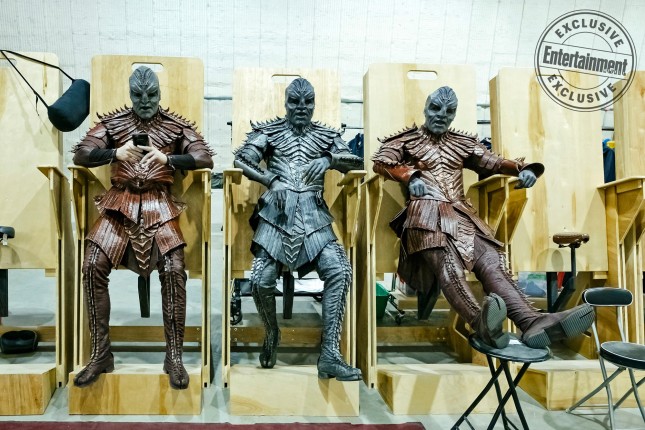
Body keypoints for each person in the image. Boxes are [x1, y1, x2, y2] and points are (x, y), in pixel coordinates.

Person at [372, 86, 594, 349]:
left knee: (492, 262)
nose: (441, 115)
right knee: (450, 267)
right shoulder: (406, 140)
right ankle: (481, 324)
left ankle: (532, 321)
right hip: (425, 215)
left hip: (462, 215)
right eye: (435, 108)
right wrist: (410, 177)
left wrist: (523, 169)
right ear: (425, 108)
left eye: (449, 111)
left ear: (455, 114)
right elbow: (381, 162)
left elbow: (493, 162)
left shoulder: (462, 143)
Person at [72, 66, 213, 389]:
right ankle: (100, 354)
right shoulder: (113, 124)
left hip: (158, 205)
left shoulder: (176, 126)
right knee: (91, 265)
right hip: (118, 206)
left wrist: (168, 160)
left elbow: (205, 158)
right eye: (138, 95)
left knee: (174, 270)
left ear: (160, 93)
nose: (145, 101)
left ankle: (173, 356)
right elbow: (81, 154)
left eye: (152, 94)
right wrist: (115, 152)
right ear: (130, 94)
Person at [234, 78, 363, 380]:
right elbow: (242, 159)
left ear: (314, 103)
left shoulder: (327, 136)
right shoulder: (270, 132)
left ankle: (330, 354)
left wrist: (329, 159)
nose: (301, 107)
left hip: (315, 218)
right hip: (275, 218)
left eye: (308, 102)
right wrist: (270, 180)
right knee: (260, 279)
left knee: (340, 271)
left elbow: (354, 162)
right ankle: (272, 333)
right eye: (295, 101)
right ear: (286, 102)